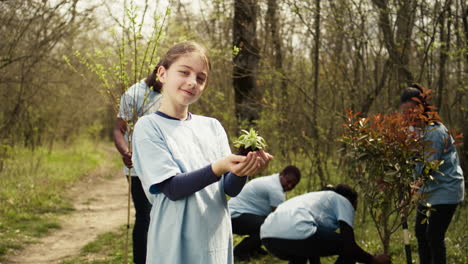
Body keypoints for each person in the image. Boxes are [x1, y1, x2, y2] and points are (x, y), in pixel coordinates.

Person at [131, 41, 273, 264]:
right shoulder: (148, 127)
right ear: (162, 73)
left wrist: (243, 169)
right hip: (174, 241)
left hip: (213, 239)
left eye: (200, 78)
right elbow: (172, 188)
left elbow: (229, 189)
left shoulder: (212, 126)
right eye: (184, 72)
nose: (192, 82)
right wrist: (220, 167)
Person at [400, 83, 464, 264]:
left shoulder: (435, 131)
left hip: (446, 189)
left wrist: (410, 194)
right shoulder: (413, 130)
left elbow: (429, 168)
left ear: (421, 108)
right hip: (426, 191)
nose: (408, 116)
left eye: (411, 111)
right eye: (404, 112)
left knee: (434, 236)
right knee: (421, 234)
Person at [260, 184, 391, 264]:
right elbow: (349, 245)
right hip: (297, 231)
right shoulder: (342, 200)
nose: (353, 210)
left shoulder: (315, 200)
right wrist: (372, 260)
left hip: (268, 236)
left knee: (300, 256)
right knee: (347, 249)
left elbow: (313, 246)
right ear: (352, 201)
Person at [113, 64, 162, 263]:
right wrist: (125, 152)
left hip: (162, 164)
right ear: (159, 72)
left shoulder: (172, 92)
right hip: (138, 168)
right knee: (145, 215)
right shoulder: (133, 94)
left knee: (162, 216)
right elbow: (118, 130)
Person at [228, 165, 301, 260]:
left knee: (267, 222)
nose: (290, 186)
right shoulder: (275, 189)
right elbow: (278, 218)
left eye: (293, 185)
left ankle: (254, 248)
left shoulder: (274, 180)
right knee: (268, 226)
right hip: (234, 217)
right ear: (282, 175)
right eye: (288, 181)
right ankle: (239, 252)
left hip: (238, 214)